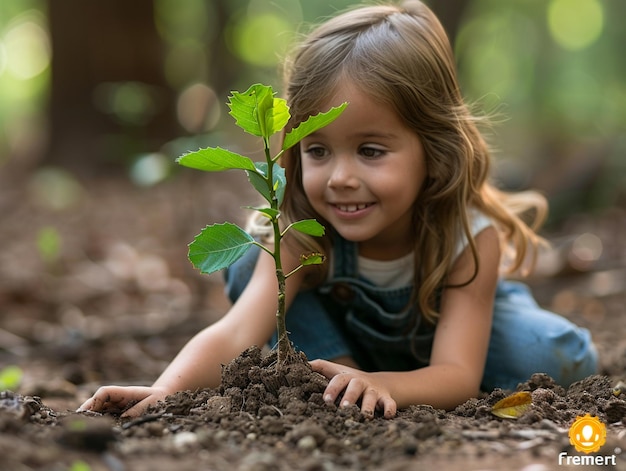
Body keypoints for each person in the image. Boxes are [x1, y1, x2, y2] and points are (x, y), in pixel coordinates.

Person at [78, 0, 597, 419]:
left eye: (371, 151)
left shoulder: (466, 236)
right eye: (319, 150)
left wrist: (388, 383)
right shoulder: (302, 224)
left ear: (432, 153)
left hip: (455, 342)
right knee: (252, 252)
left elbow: (459, 375)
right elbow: (238, 331)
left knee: (542, 356)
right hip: (351, 351)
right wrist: (166, 390)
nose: (341, 177)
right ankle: (337, 381)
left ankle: (371, 381)